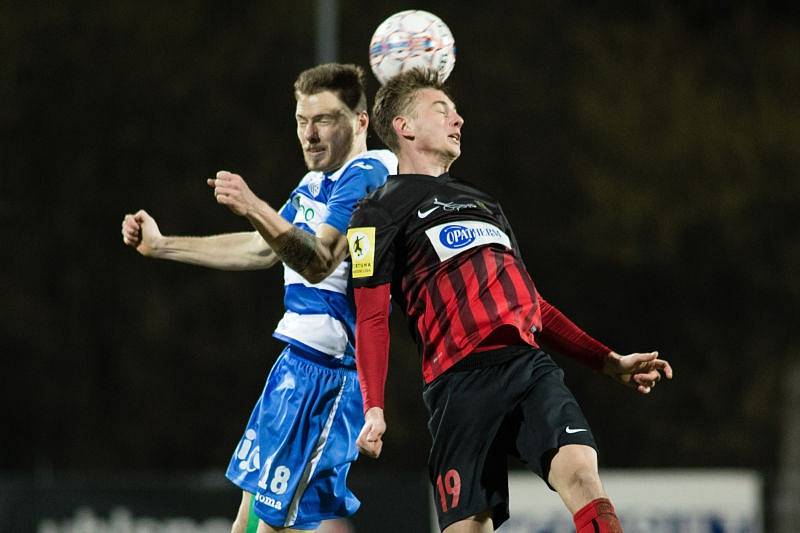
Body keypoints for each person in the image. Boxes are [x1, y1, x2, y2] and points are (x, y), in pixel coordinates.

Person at [346, 68, 673, 533]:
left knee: (581, 473)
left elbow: (532, 303)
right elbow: (371, 315)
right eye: (442, 111)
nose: (458, 120)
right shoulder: (375, 211)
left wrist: (608, 360)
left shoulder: (485, 202)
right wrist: (373, 406)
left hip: (527, 366)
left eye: (457, 112)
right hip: (457, 385)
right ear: (405, 127)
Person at [120, 63, 397, 533]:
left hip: (331, 375)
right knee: (248, 522)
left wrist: (253, 206)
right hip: (294, 367)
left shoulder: (369, 173)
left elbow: (318, 260)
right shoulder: (314, 186)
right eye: (301, 120)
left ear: (361, 121)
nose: (309, 135)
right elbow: (260, 248)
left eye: (325, 120)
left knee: (270, 526)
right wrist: (164, 245)